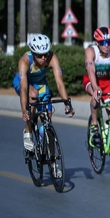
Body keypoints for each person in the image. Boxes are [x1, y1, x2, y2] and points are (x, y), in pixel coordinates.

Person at [14, 34, 75, 165]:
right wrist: (24, 110)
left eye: (45, 54)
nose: (43, 58)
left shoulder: (52, 58)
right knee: (33, 94)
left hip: (41, 85)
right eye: (39, 55)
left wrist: (67, 103)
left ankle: (53, 162)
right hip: (25, 84)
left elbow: (59, 83)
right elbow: (24, 89)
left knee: (48, 121)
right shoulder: (25, 61)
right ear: (33, 53)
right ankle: (28, 131)